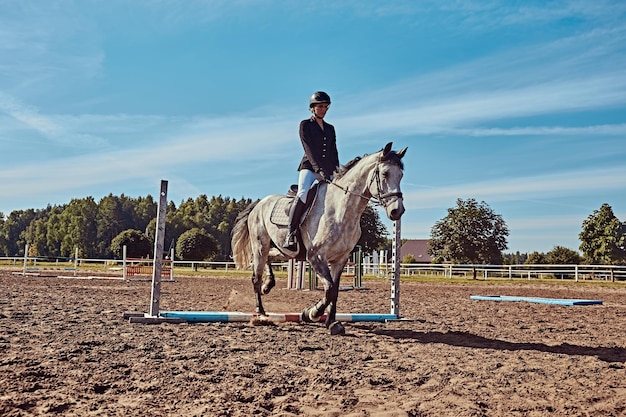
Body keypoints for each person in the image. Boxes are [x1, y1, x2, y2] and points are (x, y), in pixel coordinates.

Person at [284, 91, 340, 250]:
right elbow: (309, 150)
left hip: (327, 170)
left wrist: (337, 170)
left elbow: (333, 151)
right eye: (320, 106)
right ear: (313, 108)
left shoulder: (330, 129)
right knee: (303, 193)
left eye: (325, 107)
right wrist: (319, 169)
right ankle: (291, 233)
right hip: (309, 167)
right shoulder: (305, 125)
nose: (323, 109)